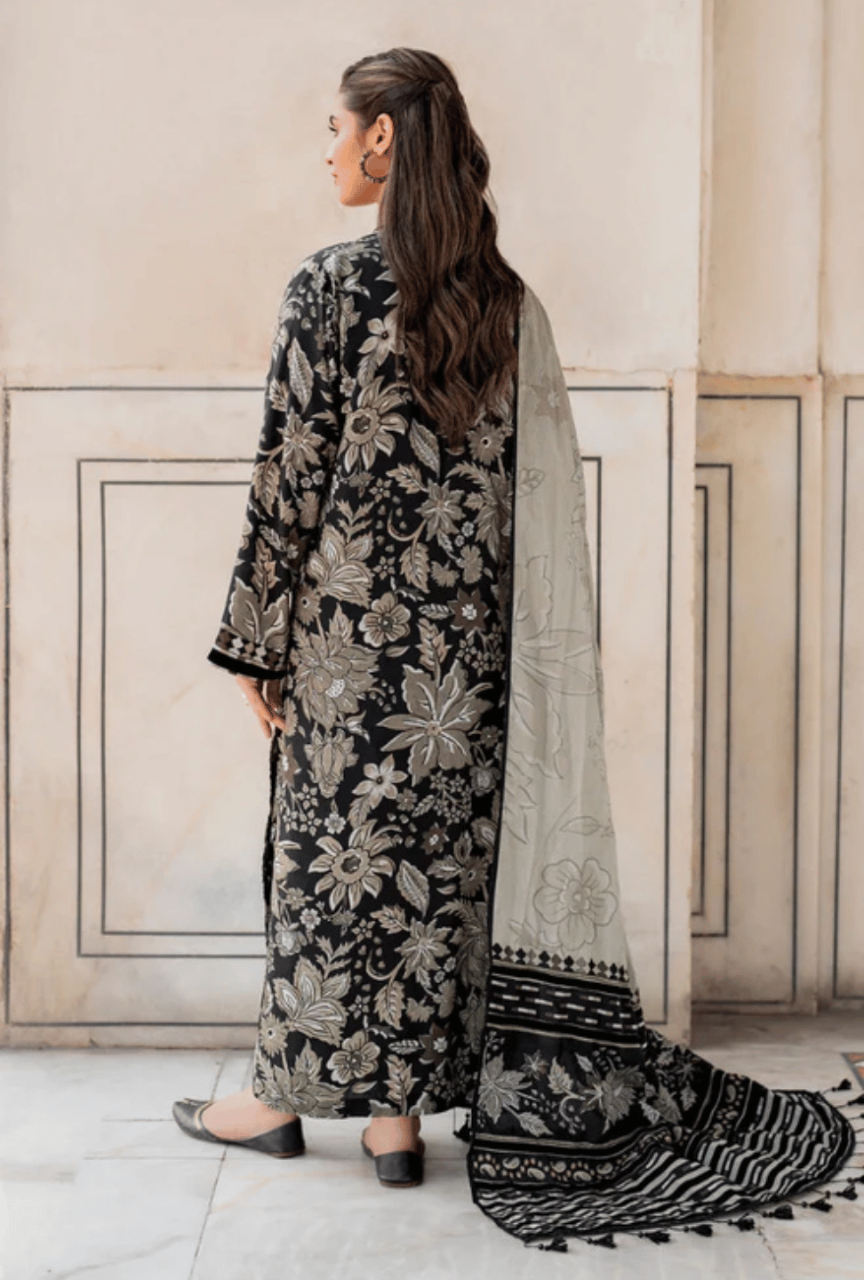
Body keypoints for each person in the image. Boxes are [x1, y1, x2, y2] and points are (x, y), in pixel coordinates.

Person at [173, 46, 859, 1246]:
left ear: (383, 140)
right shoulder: (504, 301)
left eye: (335, 129)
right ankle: (396, 1128)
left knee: (333, 868)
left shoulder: (327, 291)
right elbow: (520, 499)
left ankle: (282, 1098)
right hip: (470, 669)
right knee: (433, 879)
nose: (325, 150)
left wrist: (256, 644)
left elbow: (288, 482)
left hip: (349, 656)